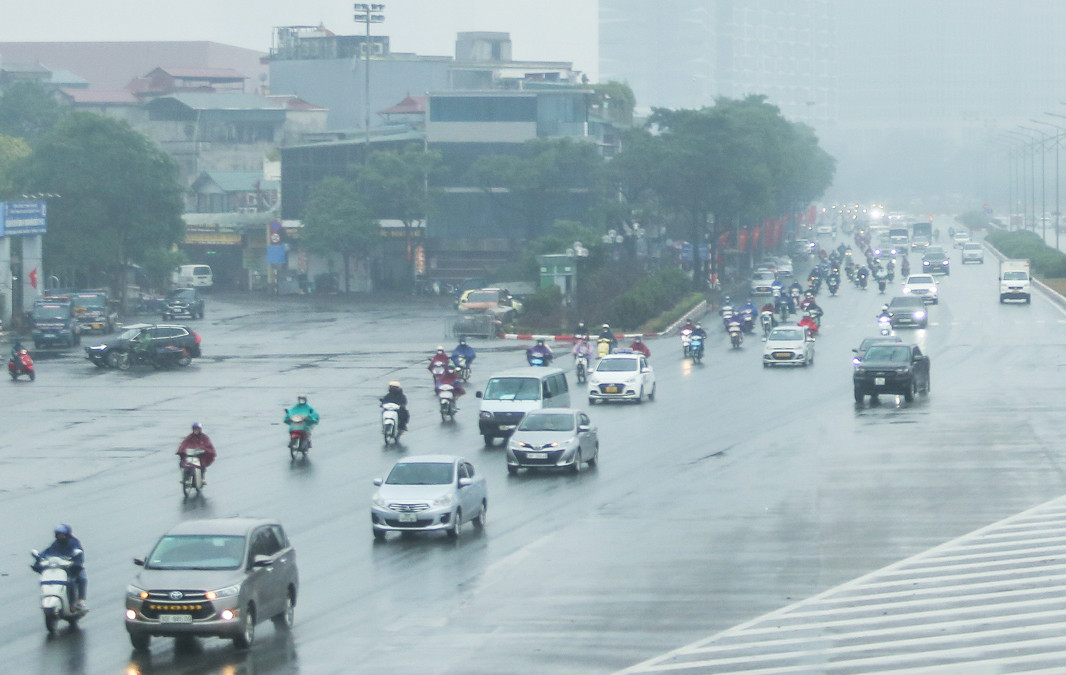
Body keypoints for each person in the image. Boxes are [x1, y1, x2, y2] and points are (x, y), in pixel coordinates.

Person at [34, 524, 87, 610]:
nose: (60, 537)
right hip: (58, 568)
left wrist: (75, 564)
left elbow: (78, 555)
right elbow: (46, 553)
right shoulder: (55, 544)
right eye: (58, 535)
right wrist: (38, 560)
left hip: (71, 569)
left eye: (62, 535)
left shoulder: (74, 543)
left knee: (77, 579)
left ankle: (78, 602)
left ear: (67, 535)